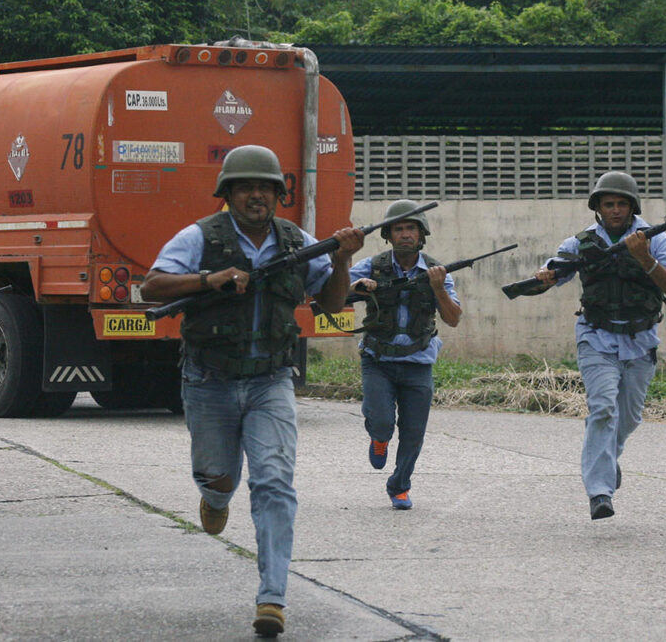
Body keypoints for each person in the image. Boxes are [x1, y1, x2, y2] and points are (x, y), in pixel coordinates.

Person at [139, 145, 364, 638]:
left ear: (280, 195)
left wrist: (343, 259)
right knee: (218, 477)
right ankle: (215, 500)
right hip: (209, 380)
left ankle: (273, 597)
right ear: (228, 194)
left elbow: (329, 303)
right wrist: (208, 279)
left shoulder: (297, 241)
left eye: (266, 187)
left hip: (272, 380)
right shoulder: (199, 236)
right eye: (246, 187)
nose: (257, 195)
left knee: (274, 483)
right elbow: (150, 288)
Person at [533, 171, 666, 520]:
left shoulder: (656, 241)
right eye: (608, 204)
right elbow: (552, 271)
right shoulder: (581, 242)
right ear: (598, 209)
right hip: (596, 337)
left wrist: (646, 259)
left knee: (628, 418)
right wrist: (544, 277)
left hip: (640, 340)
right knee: (603, 408)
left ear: (632, 206)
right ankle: (600, 492)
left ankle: (607, 458)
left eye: (621, 204)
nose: (615, 210)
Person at [349, 200, 461, 512]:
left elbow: (453, 318)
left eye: (411, 228)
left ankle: (399, 486)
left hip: (418, 362)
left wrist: (438, 289)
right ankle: (379, 438)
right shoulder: (374, 265)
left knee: (413, 434)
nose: (405, 234)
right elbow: (336, 284)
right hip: (378, 359)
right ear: (388, 235)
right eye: (398, 228)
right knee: (383, 422)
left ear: (422, 234)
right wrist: (359, 285)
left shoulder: (437, 271)